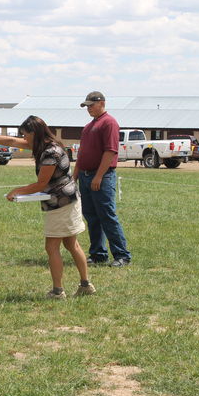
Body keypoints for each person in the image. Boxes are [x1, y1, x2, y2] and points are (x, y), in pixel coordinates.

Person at [0, 116, 95, 299]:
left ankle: (58, 291)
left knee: (52, 247)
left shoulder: (50, 152)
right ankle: (85, 285)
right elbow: (12, 141)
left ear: (35, 133)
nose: (24, 138)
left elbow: (41, 184)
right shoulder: (43, 145)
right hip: (68, 201)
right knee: (71, 243)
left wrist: (17, 191)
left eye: (26, 135)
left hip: (61, 204)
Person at [74, 91, 132, 268]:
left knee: (107, 215)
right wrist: (74, 176)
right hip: (85, 176)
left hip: (101, 176)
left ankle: (121, 255)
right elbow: (82, 154)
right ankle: (99, 254)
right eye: (87, 106)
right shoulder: (87, 127)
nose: (89, 108)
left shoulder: (109, 123)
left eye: (91, 105)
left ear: (102, 103)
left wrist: (98, 176)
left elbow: (110, 151)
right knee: (91, 216)